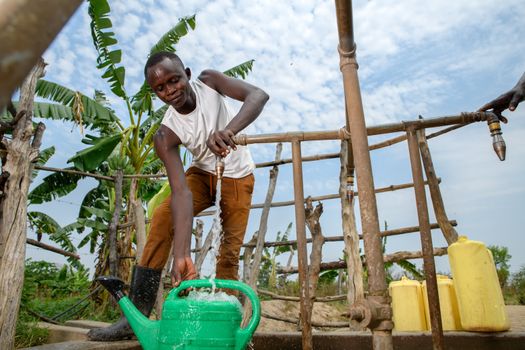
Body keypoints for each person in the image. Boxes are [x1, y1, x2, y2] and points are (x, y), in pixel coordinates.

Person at [88, 51, 269, 341]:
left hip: (237, 174)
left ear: (187, 73)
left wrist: (228, 131)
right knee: (162, 215)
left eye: (174, 80)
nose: (170, 90)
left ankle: (223, 324)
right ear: (155, 92)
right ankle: (135, 314)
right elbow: (182, 193)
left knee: (229, 251)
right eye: (160, 88)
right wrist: (182, 254)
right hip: (201, 174)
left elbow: (258, 96)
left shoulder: (209, 82)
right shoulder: (165, 135)